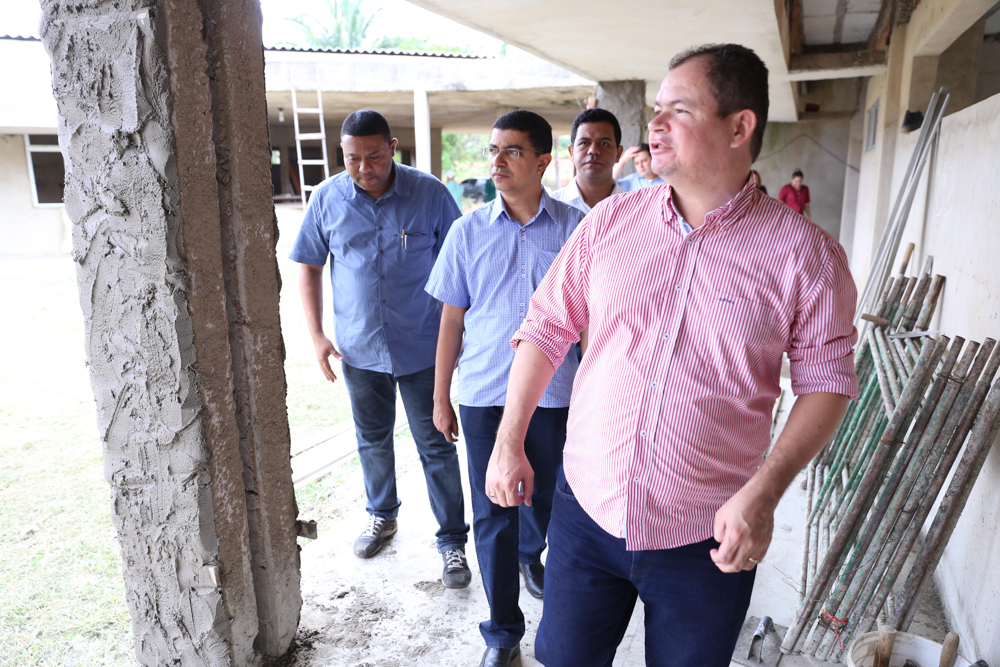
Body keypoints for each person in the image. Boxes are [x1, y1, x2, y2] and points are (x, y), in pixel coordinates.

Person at [485, 44, 859, 667]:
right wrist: (509, 439)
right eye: (655, 109)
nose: (653, 125)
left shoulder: (805, 256)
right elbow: (547, 326)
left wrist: (764, 494)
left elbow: (826, 382)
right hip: (587, 509)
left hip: (707, 533)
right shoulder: (608, 224)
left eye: (677, 110)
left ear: (740, 127)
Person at [425, 110, 585, 667]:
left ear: (543, 161)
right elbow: (450, 320)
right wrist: (441, 396)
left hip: (555, 396)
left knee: (550, 506)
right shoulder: (467, 231)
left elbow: (594, 322)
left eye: (512, 151)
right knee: (492, 513)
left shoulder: (576, 230)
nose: (497, 160)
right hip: (484, 396)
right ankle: (502, 634)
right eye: (494, 150)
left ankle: (534, 559)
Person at [289, 109, 471, 588]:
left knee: (435, 443)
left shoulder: (429, 193)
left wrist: (463, 336)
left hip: (422, 347)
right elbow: (308, 265)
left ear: (392, 147)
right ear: (342, 155)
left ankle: (452, 541)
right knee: (371, 440)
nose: (364, 166)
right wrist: (317, 336)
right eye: (353, 158)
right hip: (359, 349)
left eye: (374, 156)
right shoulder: (327, 198)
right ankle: (382, 515)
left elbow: (460, 263)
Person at [551, 108, 625, 214]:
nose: (593, 151)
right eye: (584, 143)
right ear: (571, 152)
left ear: (618, 153)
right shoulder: (548, 207)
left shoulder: (637, 210)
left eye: (604, 143)